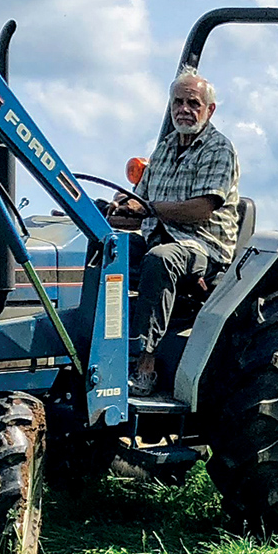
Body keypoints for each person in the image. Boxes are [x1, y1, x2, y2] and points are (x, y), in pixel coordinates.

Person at [110, 67, 240, 395]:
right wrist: (115, 208)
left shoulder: (219, 149)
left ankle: (145, 362)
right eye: (178, 102)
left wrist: (148, 208)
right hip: (158, 235)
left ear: (209, 110)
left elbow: (201, 209)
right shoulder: (166, 147)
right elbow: (139, 201)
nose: (184, 109)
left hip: (203, 246)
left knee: (160, 258)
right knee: (106, 249)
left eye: (193, 103)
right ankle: (99, 343)